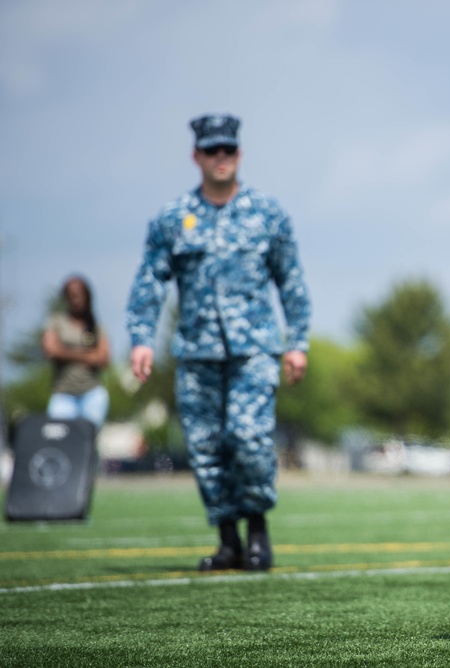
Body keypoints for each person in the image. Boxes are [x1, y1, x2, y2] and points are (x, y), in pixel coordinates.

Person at [126, 113, 311, 572]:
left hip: (254, 350)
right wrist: (141, 339)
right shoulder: (173, 219)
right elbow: (150, 281)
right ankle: (228, 541)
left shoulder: (267, 213)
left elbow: (291, 282)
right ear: (197, 156)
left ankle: (258, 533)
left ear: (239, 154)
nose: (221, 158)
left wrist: (298, 341)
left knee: (248, 439)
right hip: (196, 352)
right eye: (212, 151)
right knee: (206, 449)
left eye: (228, 149)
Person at [41, 275, 111, 429]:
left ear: (87, 297)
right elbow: (51, 350)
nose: (76, 299)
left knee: (87, 441)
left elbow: (103, 358)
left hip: (92, 393)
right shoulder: (57, 321)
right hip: (63, 393)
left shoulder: (95, 326)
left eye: (79, 295)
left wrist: (65, 351)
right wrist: (87, 356)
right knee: (60, 438)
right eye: (71, 295)